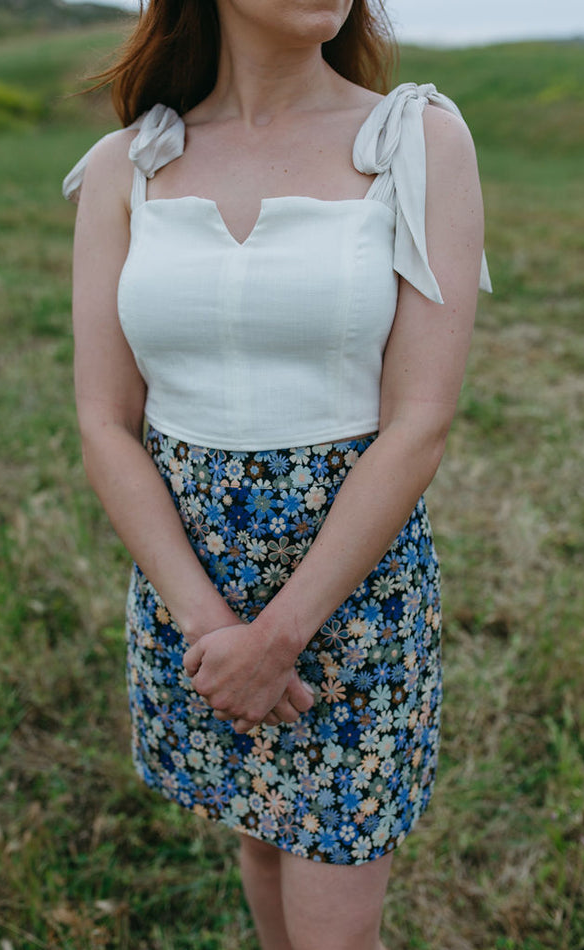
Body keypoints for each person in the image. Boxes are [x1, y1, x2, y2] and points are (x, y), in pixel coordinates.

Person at [63, 1, 491, 947]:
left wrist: (279, 636)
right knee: (262, 838)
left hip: (349, 594)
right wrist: (214, 628)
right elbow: (104, 421)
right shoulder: (125, 165)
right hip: (192, 592)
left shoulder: (415, 138)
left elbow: (421, 420)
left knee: (336, 907)